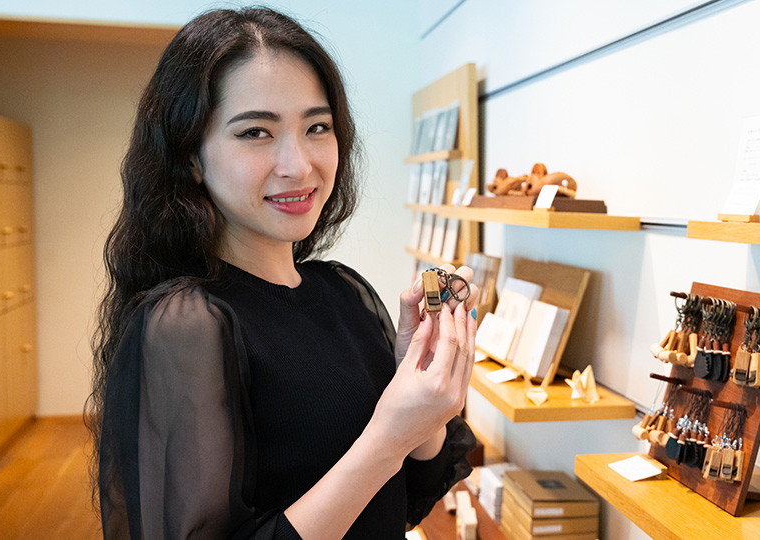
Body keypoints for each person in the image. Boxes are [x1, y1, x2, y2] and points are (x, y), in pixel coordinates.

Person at [88, 7, 479, 539]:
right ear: (192, 157)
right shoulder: (185, 326)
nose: (298, 164)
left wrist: (424, 396)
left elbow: (406, 495)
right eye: (256, 132)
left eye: (317, 127)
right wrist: (387, 438)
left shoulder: (344, 291)